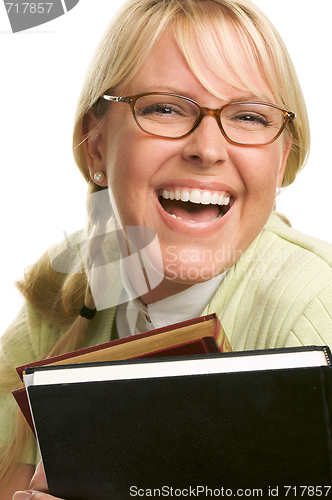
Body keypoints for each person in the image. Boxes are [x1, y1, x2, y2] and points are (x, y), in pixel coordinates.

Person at [2, 0, 332, 498]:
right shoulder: (61, 297)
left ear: (283, 157)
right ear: (96, 146)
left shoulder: (315, 310)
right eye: (164, 107)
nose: (208, 148)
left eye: (248, 116)